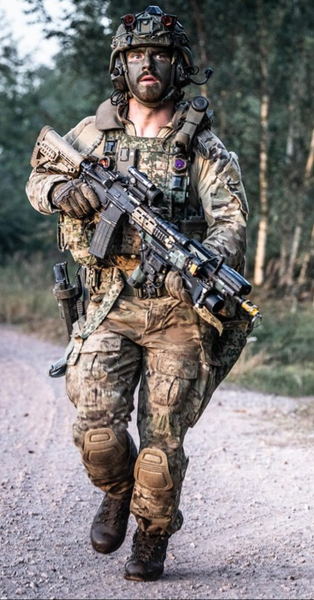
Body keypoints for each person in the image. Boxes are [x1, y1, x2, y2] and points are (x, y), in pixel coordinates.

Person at [26, 6, 249, 582]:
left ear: (180, 67)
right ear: (120, 67)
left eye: (159, 56)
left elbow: (230, 221)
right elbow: (38, 177)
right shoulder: (91, 134)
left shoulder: (203, 147)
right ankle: (117, 493)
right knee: (96, 434)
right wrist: (63, 192)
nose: (147, 65)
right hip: (108, 302)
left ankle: (151, 535)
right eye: (135, 56)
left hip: (177, 309)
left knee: (160, 445)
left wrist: (201, 267)